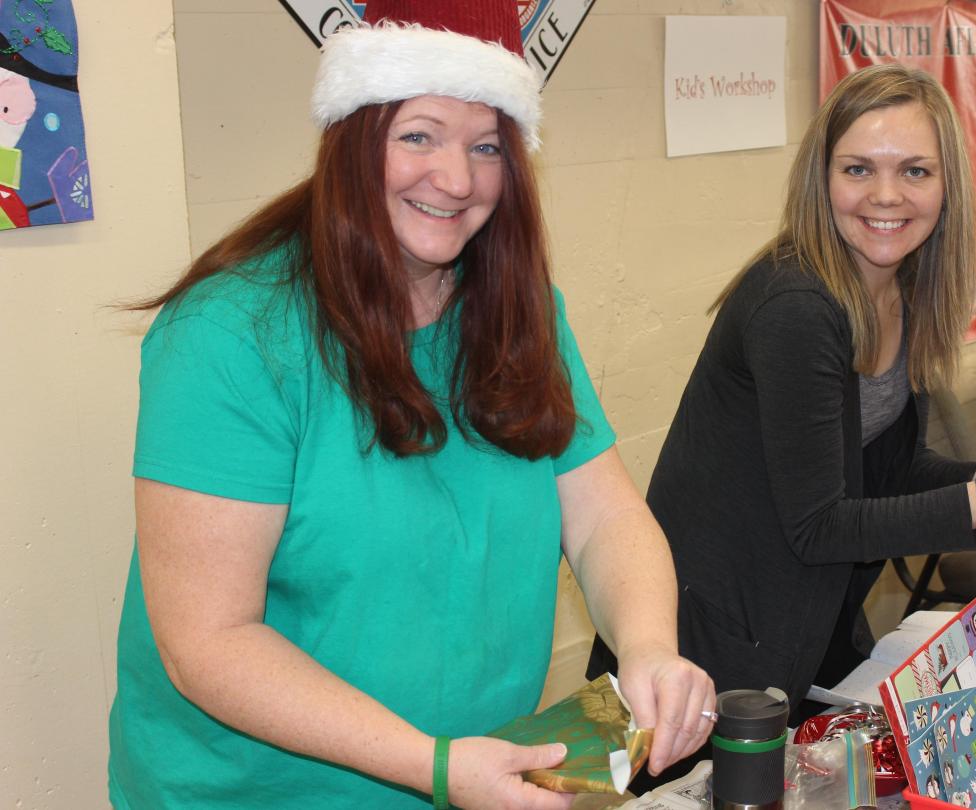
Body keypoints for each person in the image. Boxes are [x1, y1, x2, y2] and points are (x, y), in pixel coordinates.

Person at [107, 2, 713, 807]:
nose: (456, 180)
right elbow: (208, 642)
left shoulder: (518, 309)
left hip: (479, 771)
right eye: (418, 135)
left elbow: (602, 516)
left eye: (486, 145)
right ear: (355, 139)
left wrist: (646, 649)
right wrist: (432, 765)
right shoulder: (231, 333)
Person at [590, 63, 976, 756]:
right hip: (706, 650)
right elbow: (819, 525)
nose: (886, 196)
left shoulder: (905, 285)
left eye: (915, 172)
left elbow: (889, 468)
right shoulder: (796, 305)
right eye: (858, 169)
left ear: (946, 182)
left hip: (804, 623)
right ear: (820, 178)